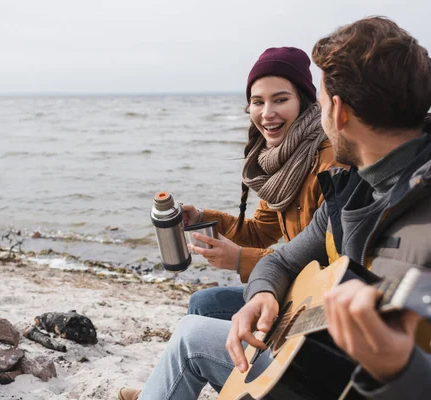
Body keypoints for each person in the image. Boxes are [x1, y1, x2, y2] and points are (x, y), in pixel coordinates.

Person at [119, 16, 431, 400]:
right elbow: (280, 259)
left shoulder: (337, 171)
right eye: (257, 100)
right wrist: (263, 293)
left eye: (313, 100)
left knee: (191, 335)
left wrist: (397, 368)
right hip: (323, 351)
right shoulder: (351, 189)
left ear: (338, 112)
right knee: (199, 322)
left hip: (354, 382)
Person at [182, 47, 342, 322]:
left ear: (304, 102)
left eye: (280, 100)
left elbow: (333, 261)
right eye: (257, 102)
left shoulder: (330, 161)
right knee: (202, 302)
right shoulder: (284, 162)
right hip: (296, 285)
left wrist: (241, 259)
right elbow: (259, 233)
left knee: (206, 305)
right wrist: (200, 218)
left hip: (325, 297)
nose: (267, 113)